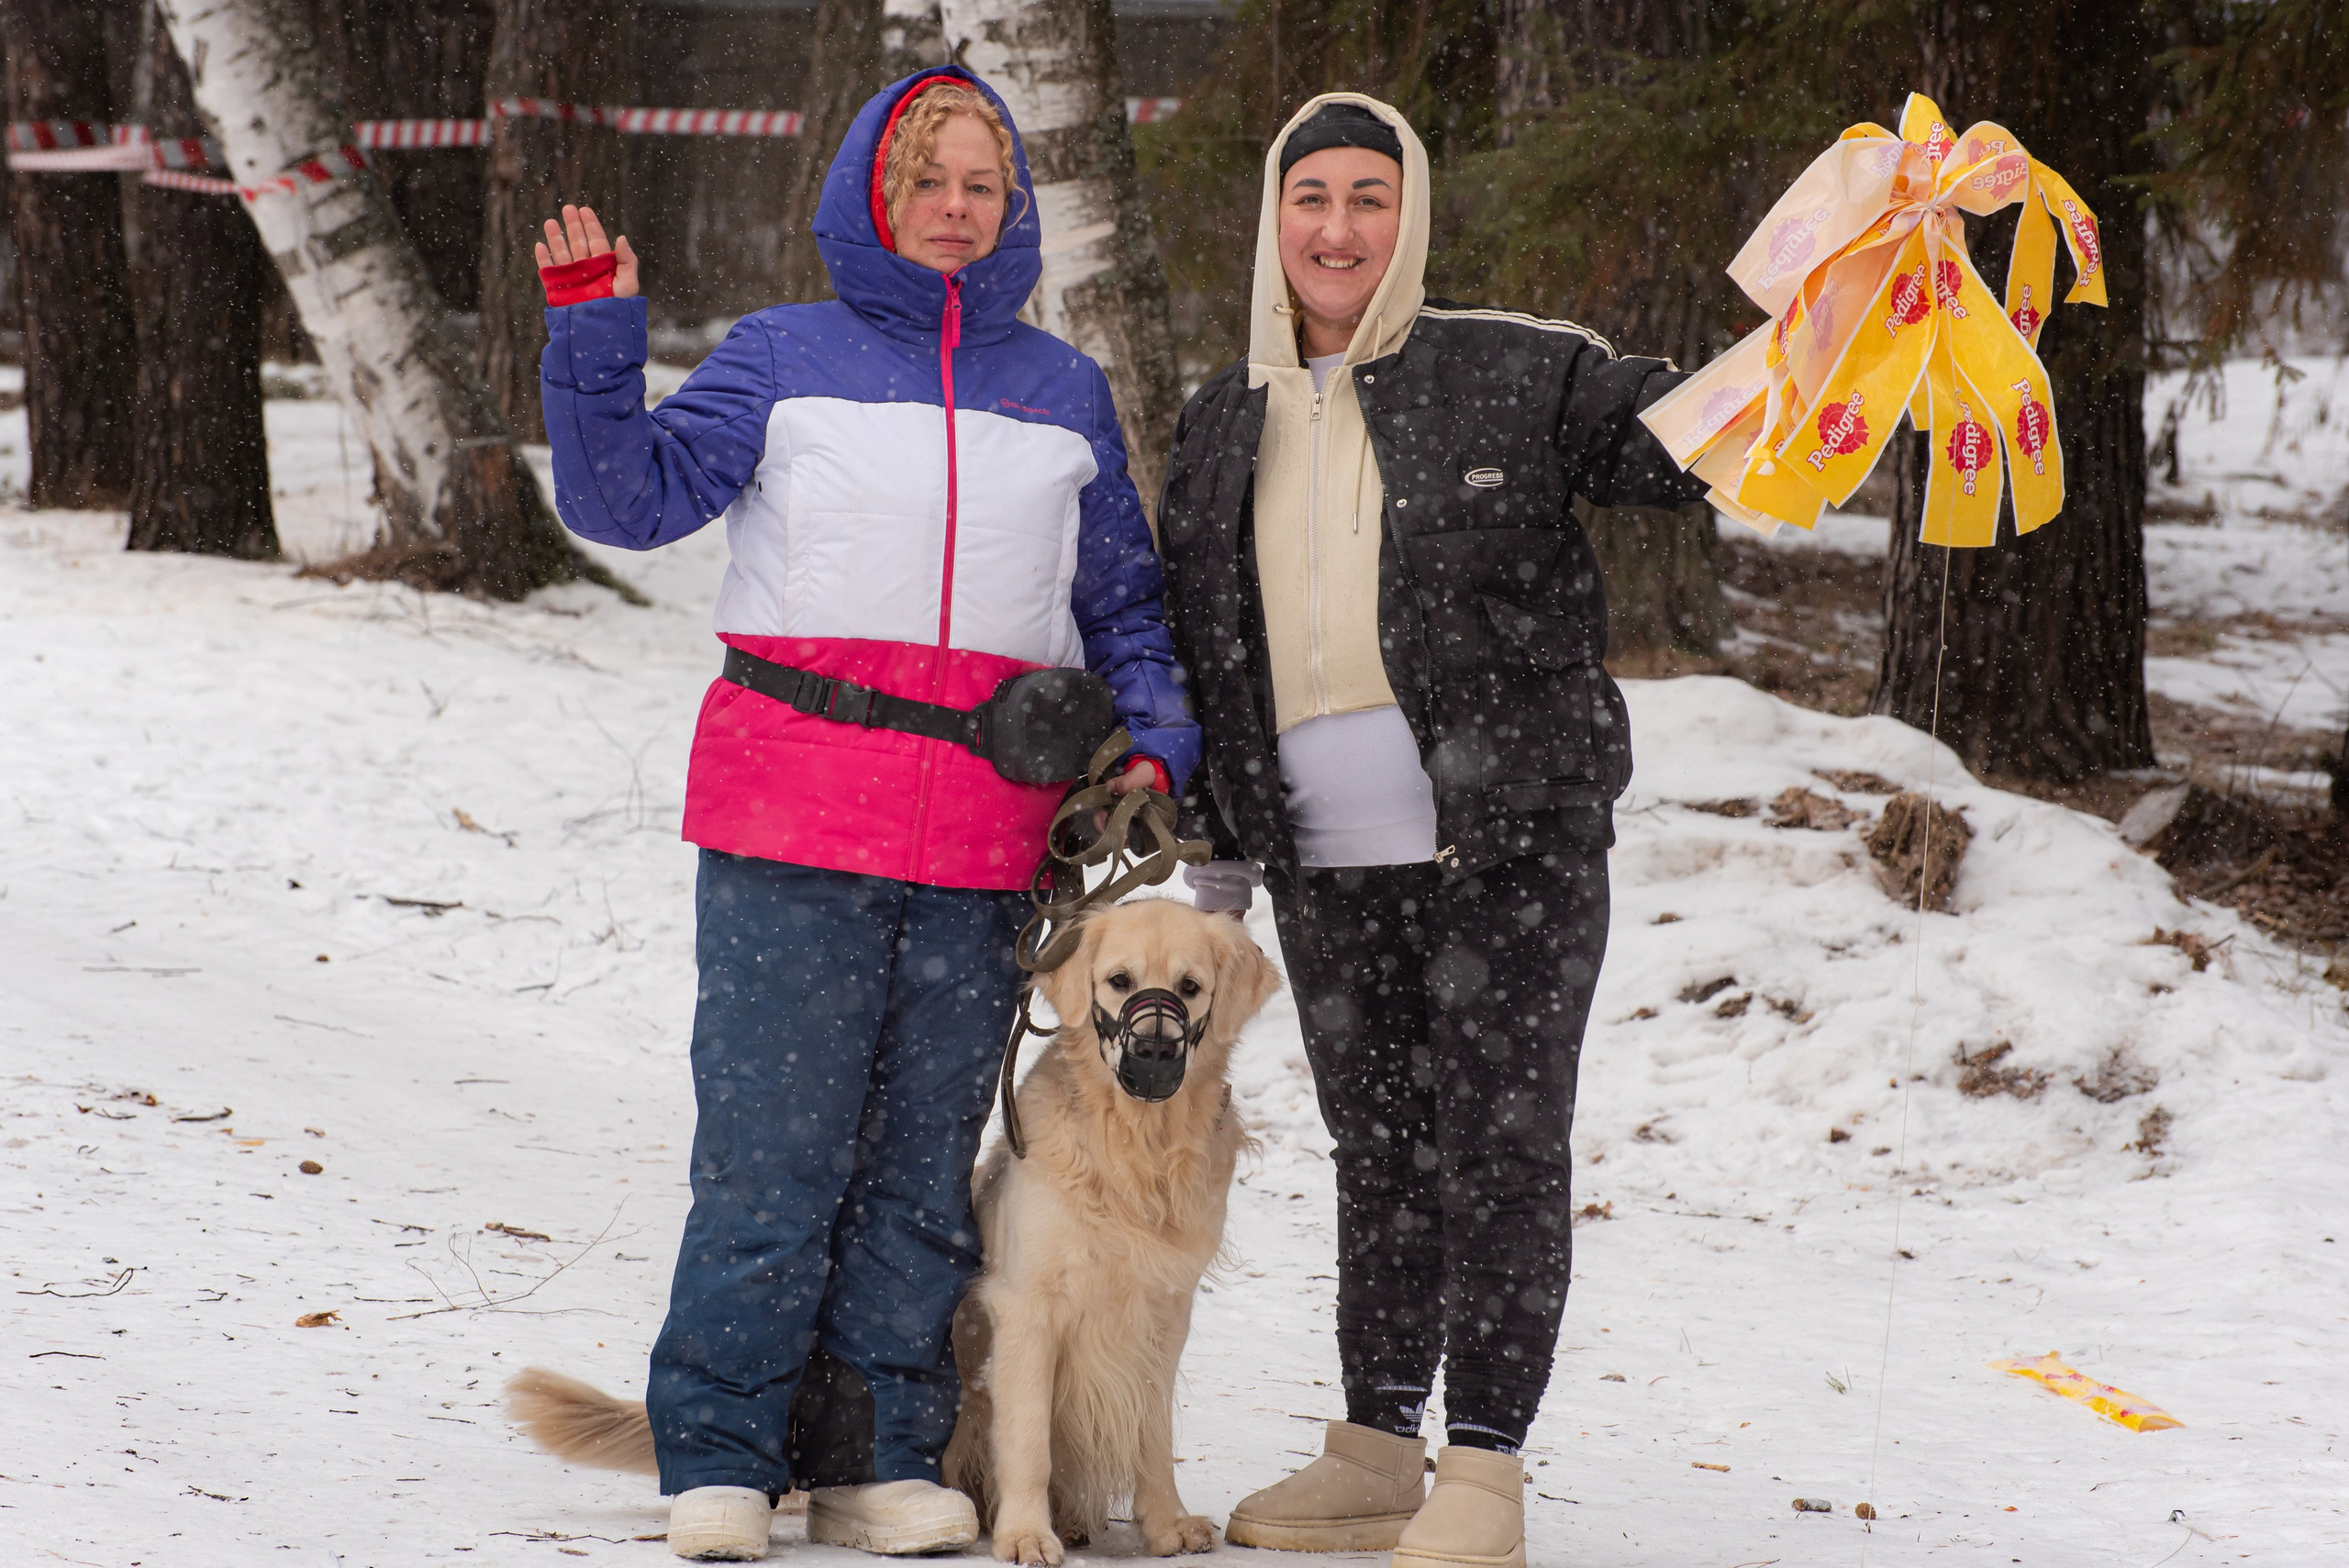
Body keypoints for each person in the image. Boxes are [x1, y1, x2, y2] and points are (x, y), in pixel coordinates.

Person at [531, 68, 1197, 1562]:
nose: (955, 211)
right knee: (771, 1157)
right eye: (926, 184)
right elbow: (626, 500)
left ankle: (884, 1446)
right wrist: (594, 335)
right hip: (790, 819)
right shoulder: (783, 357)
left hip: (985, 836)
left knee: (915, 1171)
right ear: (871, 198)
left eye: (982, 186)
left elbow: (1122, 603)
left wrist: (1153, 737)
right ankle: (720, 1447)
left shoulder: (1062, 389)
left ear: (1011, 207)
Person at [1155, 95, 1708, 1568]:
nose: (1338, 229)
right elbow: (1208, 639)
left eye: (1371, 198)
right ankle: (1378, 1444)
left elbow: (1702, 438)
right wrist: (1218, 852)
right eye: (1311, 197)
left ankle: (1485, 1467)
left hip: (1508, 843)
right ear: (1272, 217)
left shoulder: (1511, 370)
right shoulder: (1224, 416)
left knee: (1500, 1144)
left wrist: (1844, 327)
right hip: (1327, 860)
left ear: (1412, 220)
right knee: (1380, 1149)